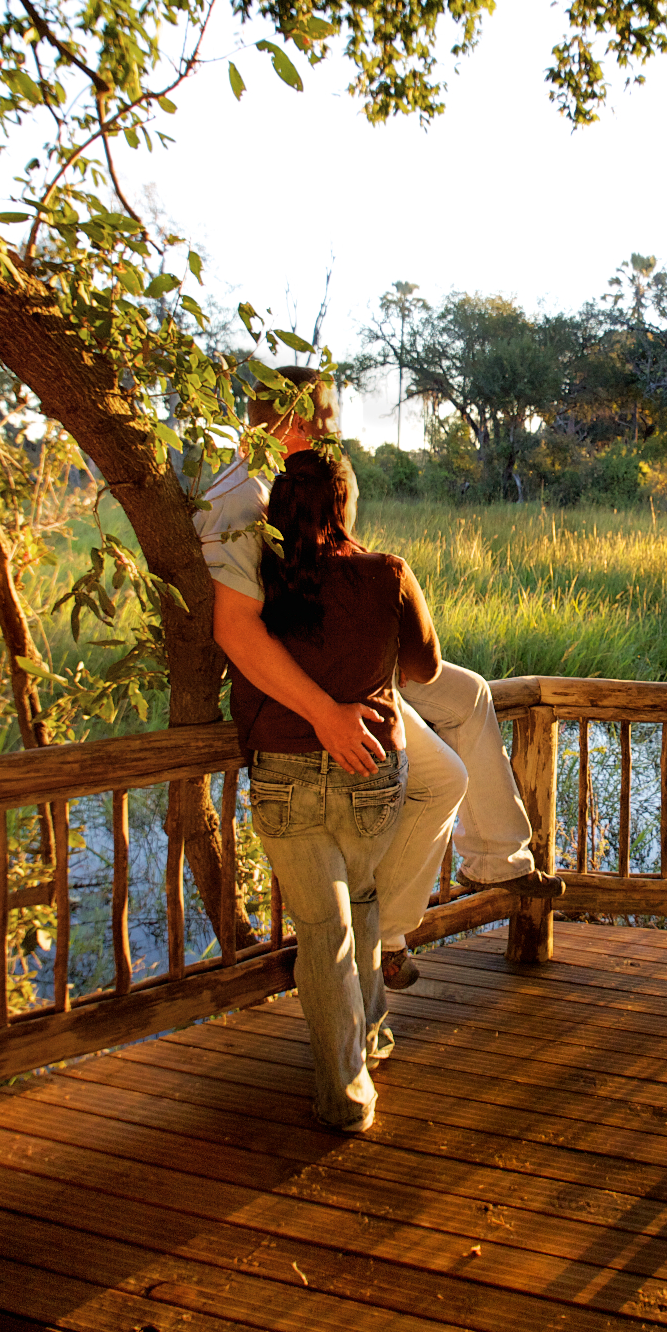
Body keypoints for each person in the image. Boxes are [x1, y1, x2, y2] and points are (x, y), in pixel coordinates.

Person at [193, 367, 562, 993]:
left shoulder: (296, 479)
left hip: (351, 655)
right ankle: (386, 935)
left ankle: (496, 859)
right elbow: (234, 626)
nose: (336, 431)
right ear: (298, 420)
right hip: (313, 677)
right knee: (442, 777)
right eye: (328, 418)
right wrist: (324, 713)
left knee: (469, 692)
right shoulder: (244, 494)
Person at [238, 448, 433, 1131]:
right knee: (364, 897)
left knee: (324, 929)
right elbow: (425, 666)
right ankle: (369, 1039)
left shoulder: (259, 579)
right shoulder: (387, 573)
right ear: (345, 503)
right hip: (369, 768)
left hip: (282, 774)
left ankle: (346, 1094)